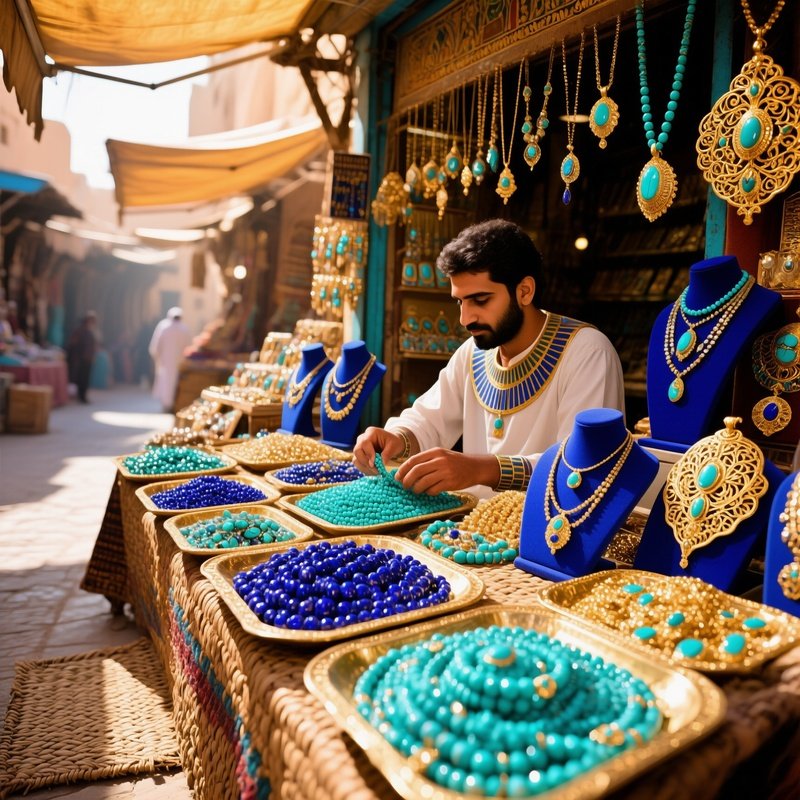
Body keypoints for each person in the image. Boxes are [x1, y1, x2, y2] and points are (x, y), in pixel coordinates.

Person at [353, 219, 625, 498]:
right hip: (471, 535)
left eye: (480, 300)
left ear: (524, 291)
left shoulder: (588, 353)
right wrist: (398, 438)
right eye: (460, 301)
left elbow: (581, 469)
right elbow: (429, 420)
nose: (465, 318)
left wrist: (479, 470)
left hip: (552, 535)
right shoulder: (473, 354)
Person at [149, 307, 193, 411]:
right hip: (178, 361)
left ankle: (167, 404)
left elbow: (155, 346)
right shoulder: (184, 328)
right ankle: (173, 404)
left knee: (166, 382)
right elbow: (189, 345)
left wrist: (156, 357)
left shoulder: (163, 326)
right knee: (174, 382)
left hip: (166, 360)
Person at [66, 312, 98, 404]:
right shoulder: (80, 331)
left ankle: (83, 395)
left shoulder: (90, 332)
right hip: (81, 359)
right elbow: (73, 344)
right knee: (81, 378)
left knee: (85, 378)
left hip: (88, 359)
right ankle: (81, 396)